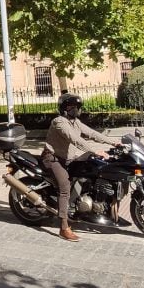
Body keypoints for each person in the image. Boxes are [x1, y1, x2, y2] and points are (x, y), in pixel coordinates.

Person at [41, 93, 121, 242]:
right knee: (64, 186)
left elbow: (91, 133)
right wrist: (93, 150)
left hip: (68, 159)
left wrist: (113, 142)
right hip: (52, 159)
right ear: (64, 108)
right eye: (72, 107)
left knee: (90, 171)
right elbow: (74, 139)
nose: (75, 110)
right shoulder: (59, 122)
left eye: (77, 107)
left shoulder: (75, 122)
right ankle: (64, 227)